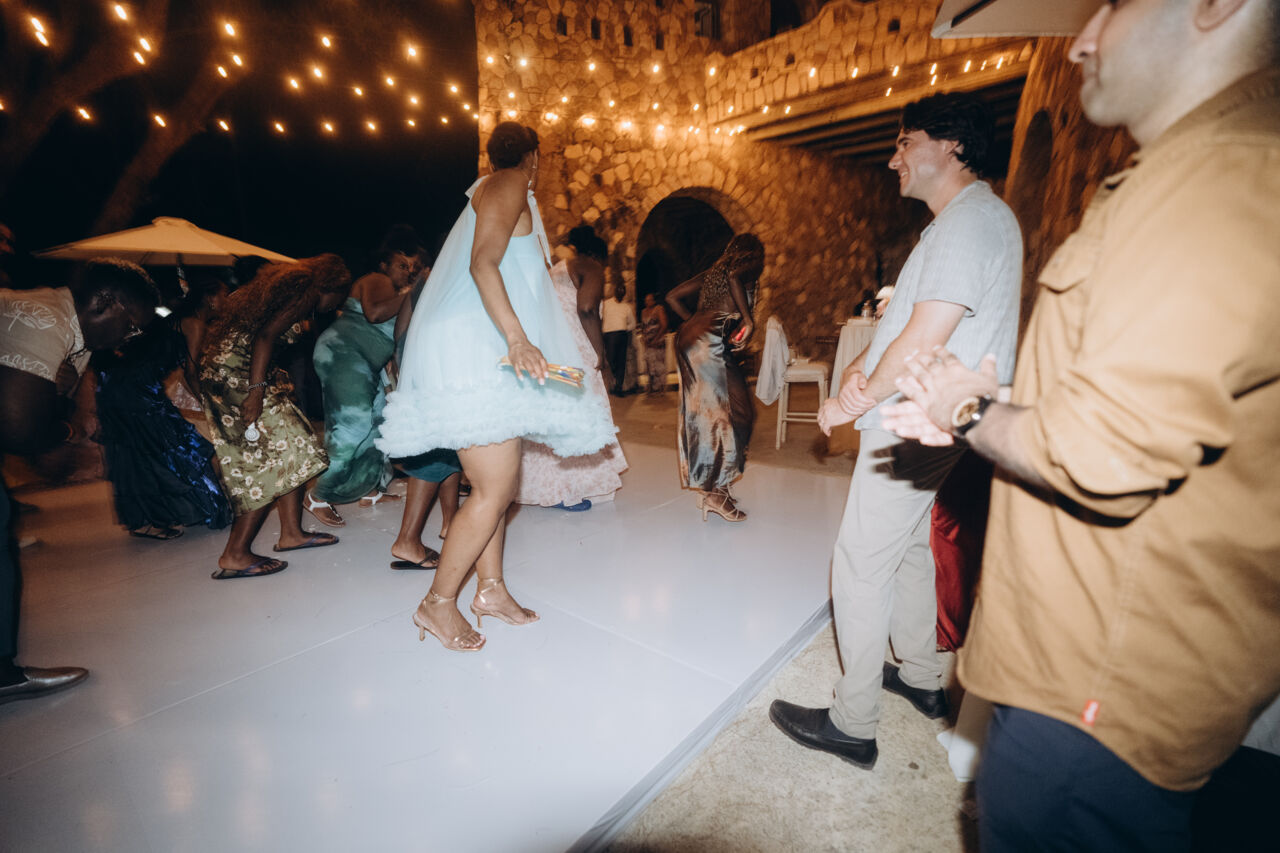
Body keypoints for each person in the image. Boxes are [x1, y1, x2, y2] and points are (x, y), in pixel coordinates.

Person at [879, 2, 1280, 848]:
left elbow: (1108, 452)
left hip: (1102, 680)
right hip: (1116, 659)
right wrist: (1001, 400)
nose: (1084, 38)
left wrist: (967, 407)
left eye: (1114, 3)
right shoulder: (1205, 167)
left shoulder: (1221, 177)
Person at [768, 91, 1022, 769]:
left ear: (952, 145)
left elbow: (926, 334)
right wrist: (867, 364)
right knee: (909, 548)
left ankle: (852, 723)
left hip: (915, 420)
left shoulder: (968, 222)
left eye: (906, 142)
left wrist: (850, 400)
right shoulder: (972, 218)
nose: (892, 159)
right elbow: (912, 322)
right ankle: (921, 675)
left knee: (859, 562)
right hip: (935, 421)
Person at [377, 122, 615, 652]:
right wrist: (517, 338)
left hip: (479, 343)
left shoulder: (491, 190)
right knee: (494, 488)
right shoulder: (509, 183)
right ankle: (437, 604)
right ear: (534, 157)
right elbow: (482, 263)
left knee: (496, 484)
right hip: (479, 345)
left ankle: (491, 590)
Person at [0, 258, 159, 705]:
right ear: (103, 302)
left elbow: (48, 447)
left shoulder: (77, 338)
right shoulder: (45, 317)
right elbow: (21, 430)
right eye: (132, 326)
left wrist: (56, 419)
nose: (130, 339)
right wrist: (66, 430)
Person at [199, 254, 350, 579]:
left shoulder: (289, 288)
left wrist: (269, 379)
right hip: (238, 377)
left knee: (295, 446)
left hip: (229, 372)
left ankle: (291, 533)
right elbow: (266, 336)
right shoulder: (307, 289)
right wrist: (256, 391)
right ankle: (235, 553)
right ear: (332, 286)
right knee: (266, 459)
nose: (335, 305)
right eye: (339, 297)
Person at [307, 228, 422, 526]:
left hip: (367, 363)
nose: (408, 271)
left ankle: (370, 488)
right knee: (352, 425)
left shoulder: (396, 293)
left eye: (411, 267)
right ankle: (319, 495)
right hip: (344, 355)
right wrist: (413, 291)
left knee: (379, 424)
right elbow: (374, 315)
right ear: (383, 265)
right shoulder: (376, 279)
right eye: (401, 265)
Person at [92, 308, 231, 540]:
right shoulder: (192, 324)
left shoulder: (162, 320)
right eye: (221, 294)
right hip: (139, 393)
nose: (224, 301)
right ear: (208, 298)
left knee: (138, 454)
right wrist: (209, 406)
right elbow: (191, 372)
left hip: (120, 389)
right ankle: (171, 514)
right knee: (167, 449)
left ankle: (150, 519)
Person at [516, 225, 626, 511]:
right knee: (582, 413)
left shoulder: (557, 269)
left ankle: (546, 486)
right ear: (599, 255)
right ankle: (569, 489)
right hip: (576, 346)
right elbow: (587, 309)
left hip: (552, 347)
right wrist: (600, 354)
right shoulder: (591, 266)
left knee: (557, 414)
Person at [666, 234, 763, 522]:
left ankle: (714, 484)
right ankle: (715, 492)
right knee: (738, 413)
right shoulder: (749, 262)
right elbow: (735, 277)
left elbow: (672, 296)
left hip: (690, 337)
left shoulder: (714, 272)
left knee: (707, 412)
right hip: (709, 340)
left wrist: (693, 322)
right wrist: (748, 320)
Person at [601, 281, 635, 394]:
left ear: (624, 293)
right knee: (611, 361)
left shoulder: (626, 306)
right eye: (619, 290)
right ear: (615, 291)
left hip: (622, 335)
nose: (621, 292)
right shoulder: (606, 304)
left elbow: (633, 323)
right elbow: (600, 317)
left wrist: (623, 328)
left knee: (621, 362)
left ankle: (618, 388)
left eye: (623, 291)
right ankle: (610, 386)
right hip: (609, 335)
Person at [641, 293, 669, 393]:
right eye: (646, 300)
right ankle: (651, 386)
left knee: (659, 365)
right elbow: (643, 327)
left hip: (658, 341)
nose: (647, 302)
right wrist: (644, 338)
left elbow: (664, 325)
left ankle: (661, 387)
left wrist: (656, 339)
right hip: (648, 342)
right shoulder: (643, 311)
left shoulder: (659, 309)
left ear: (654, 301)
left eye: (650, 300)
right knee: (649, 364)